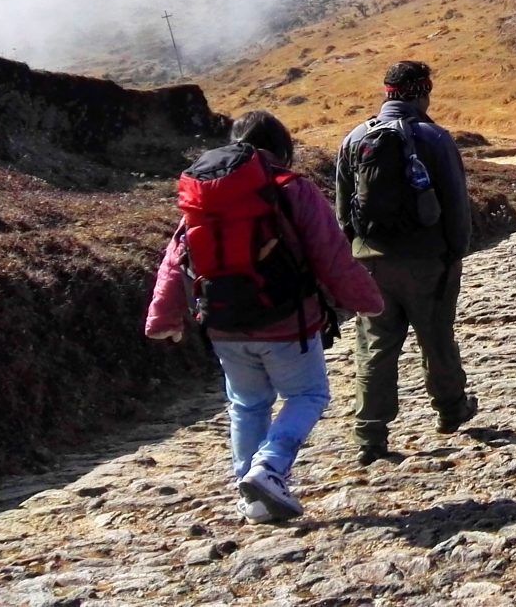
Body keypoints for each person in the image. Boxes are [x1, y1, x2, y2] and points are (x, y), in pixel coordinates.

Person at [145, 111, 383, 524]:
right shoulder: (290, 189)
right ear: (282, 147)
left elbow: (174, 259)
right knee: (308, 396)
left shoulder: (204, 195)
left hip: (222, 323)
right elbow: (331, 255)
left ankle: (251, 496)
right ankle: (269, 467)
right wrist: (366, 300)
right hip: (286, 323)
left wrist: (163, 316)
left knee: (247, 404)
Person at [334, 60, 477, 464]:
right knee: (436, 338)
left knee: (375, 345)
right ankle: (451, 410)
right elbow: (455, 203)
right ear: (422, 92)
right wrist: (455, 252)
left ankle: (370, 435)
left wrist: (358, 253)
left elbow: (343, 210)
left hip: (372, 262)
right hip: (428, 259)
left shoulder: (355, 138)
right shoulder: (434, 137)